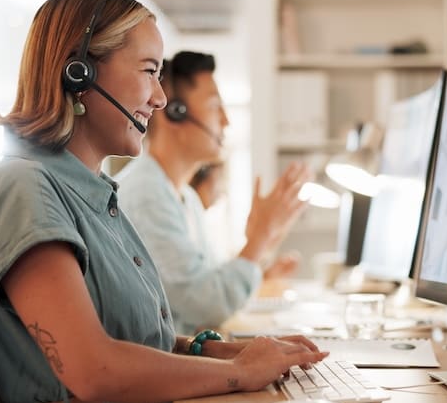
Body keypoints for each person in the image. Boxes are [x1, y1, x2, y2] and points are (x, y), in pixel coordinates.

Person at [0, 0, 327, 403]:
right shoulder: (23, 188)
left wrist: (226, 352)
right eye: (149, 71)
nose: (160, 98)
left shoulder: (94, 197)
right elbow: (93, 370)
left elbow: (135, 341)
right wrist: (240, 373)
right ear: (79, 73)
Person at [116, 51, 310, 334]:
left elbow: (208, 283)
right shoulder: (147, 195)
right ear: (174, 112)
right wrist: (259, 239)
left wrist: (263, 249)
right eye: (215, 106)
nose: (226, 120)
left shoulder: (185, 197)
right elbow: (207, 304)